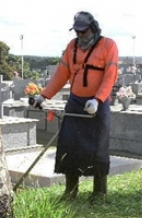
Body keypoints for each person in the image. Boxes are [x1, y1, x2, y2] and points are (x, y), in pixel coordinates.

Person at [30, 11, 119, 200]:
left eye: (83, 32)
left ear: (93, 29)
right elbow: (61, 75)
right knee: (70, 146)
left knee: (98, 148)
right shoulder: (72, 47)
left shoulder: (108, 45)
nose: (79, 35)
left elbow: (110, 76)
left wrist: (97, 99)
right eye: (76, 32)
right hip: (76, 102)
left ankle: (99, 192)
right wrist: (43, 96)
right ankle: (71, 190)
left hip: (97, 104)